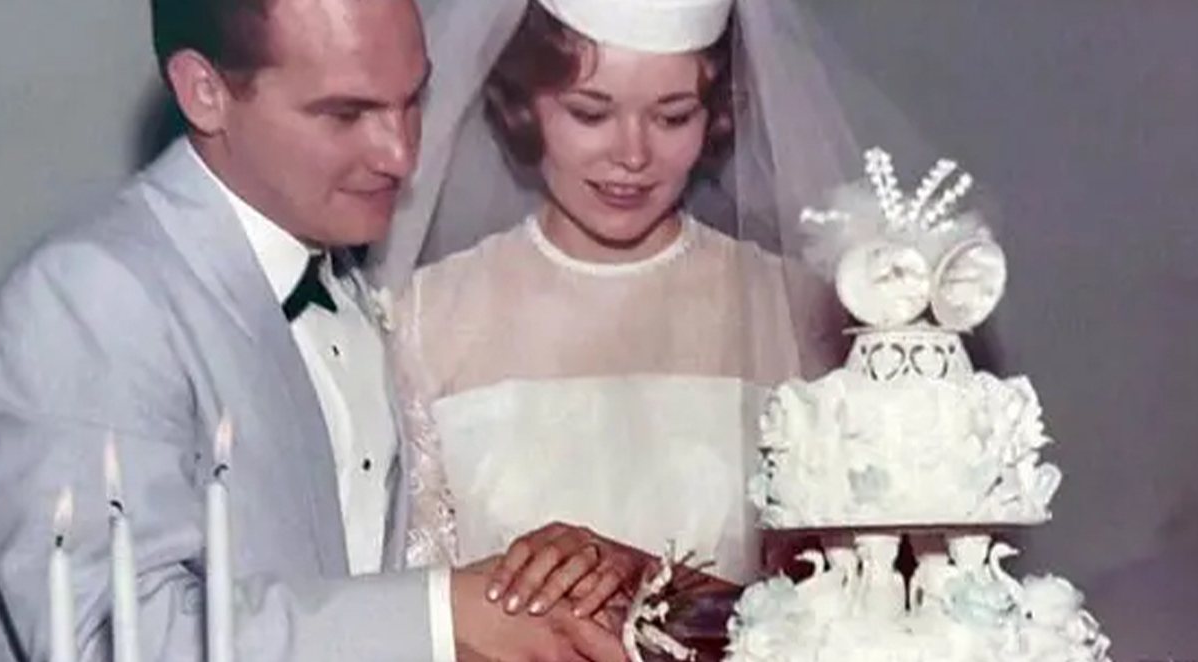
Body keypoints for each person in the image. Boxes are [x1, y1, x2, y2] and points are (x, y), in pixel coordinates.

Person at [0, 0, 629, 660]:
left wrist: (516, 591)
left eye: (412, 101)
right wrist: (442, 613)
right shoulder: (91, 299)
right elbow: (110, 640)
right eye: (346, 113)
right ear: (205, 92)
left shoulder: (344, 273)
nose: (400, 154)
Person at [375, 0, 937, 622]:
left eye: (673, 117)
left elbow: (859, 610)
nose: (633, 155)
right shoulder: (426, 316)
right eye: (590, 113)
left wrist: (651, 583)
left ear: (715, 115)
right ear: (525, 104)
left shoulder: (795, 313)